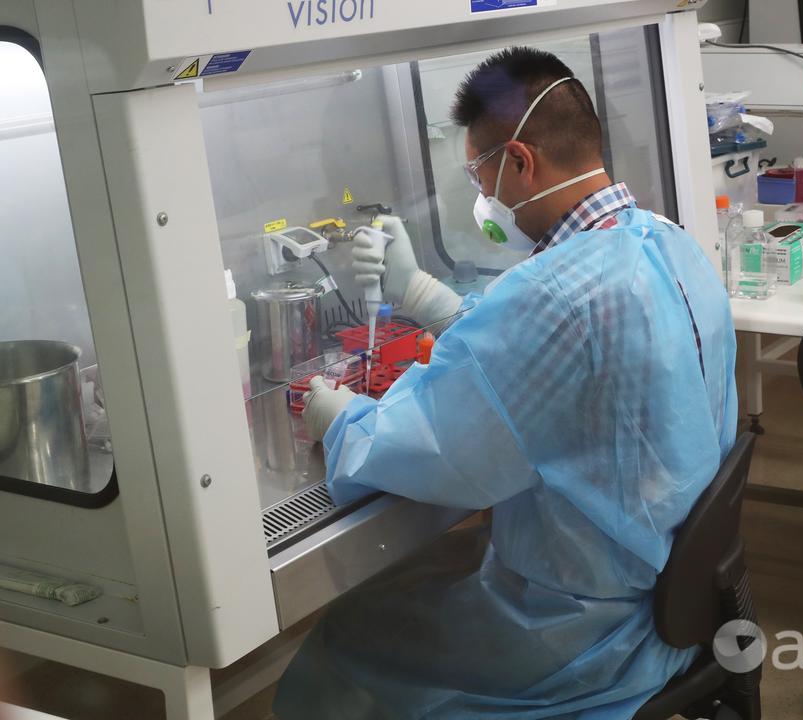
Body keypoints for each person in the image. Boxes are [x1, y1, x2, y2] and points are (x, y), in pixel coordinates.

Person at [273, 47, 737, 719]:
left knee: (344, 637)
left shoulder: (551, 297)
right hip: (677, 600)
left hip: (585, 640)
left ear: (521, 162)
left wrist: (343, 419)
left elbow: (441, 450)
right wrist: (425, 295)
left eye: (481, 176)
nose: (484, 199)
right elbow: (546, 357)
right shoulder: (668, 241)